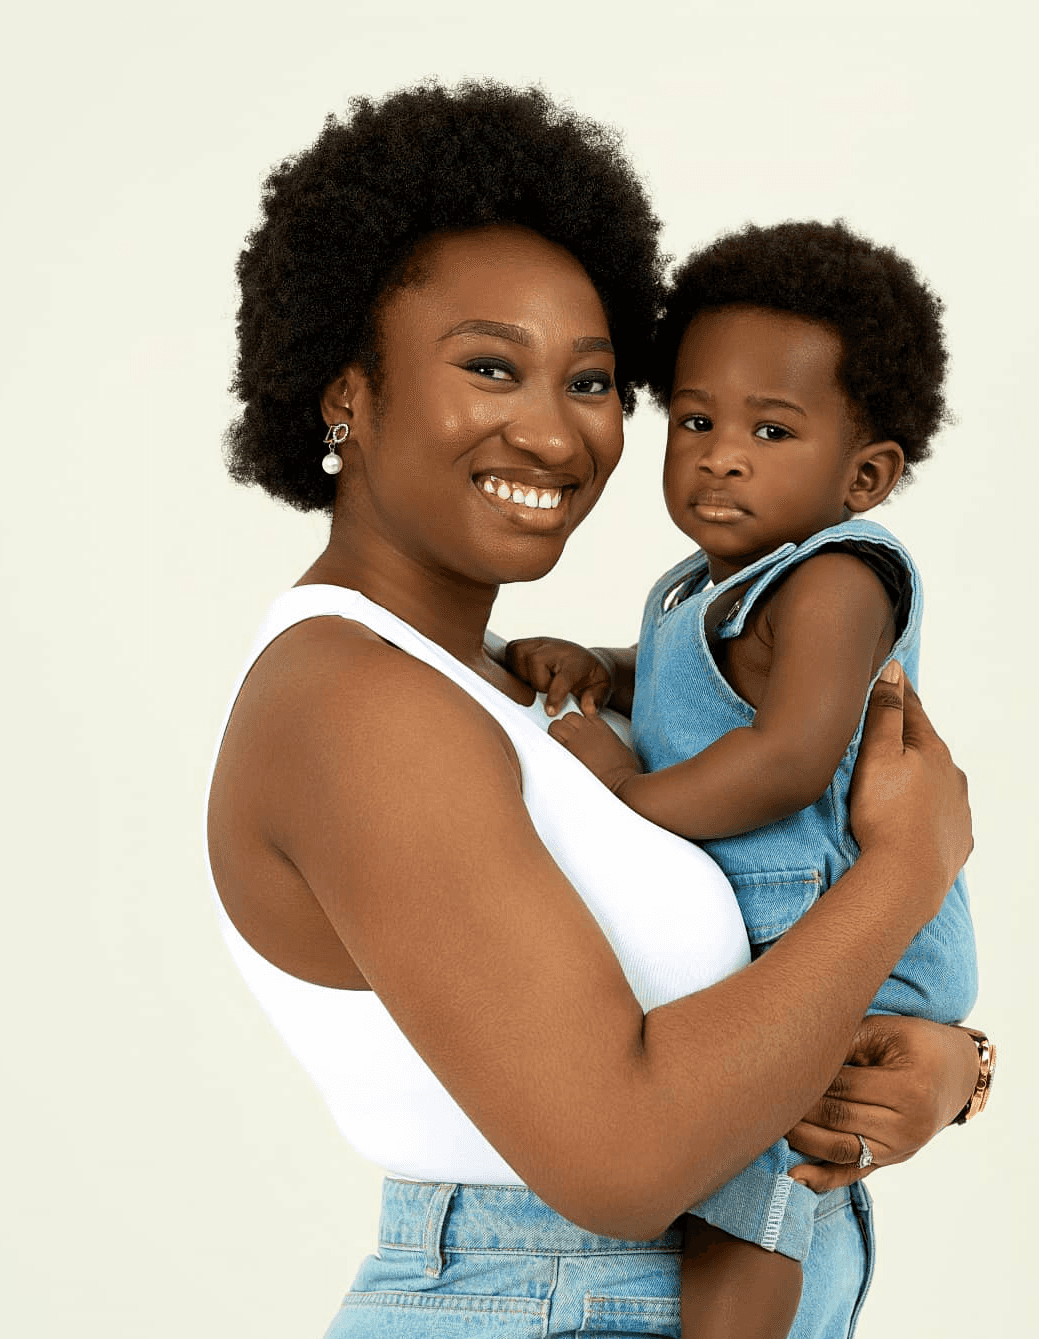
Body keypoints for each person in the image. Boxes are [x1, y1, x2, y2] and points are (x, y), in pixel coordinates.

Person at [207, 80, 989, 1337]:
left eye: (590, 382)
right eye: (488, 367)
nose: (556, 434)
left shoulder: (517, 687)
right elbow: (621, 1159)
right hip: (548, 1291)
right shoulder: (353, 705)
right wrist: (908, 869)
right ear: (343, 387)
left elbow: (745, 1006)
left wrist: (952, 1070)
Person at [505, 220, 980, 1338]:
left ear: (864, 475)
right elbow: (691, 684)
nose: (722, 453)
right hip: (782, 925)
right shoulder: (699, 585)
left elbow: (786, 757)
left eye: (772, 429)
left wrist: (620, 804)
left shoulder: (838, 583)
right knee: (732, 1153)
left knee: (751, 1170)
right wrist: (602, 667)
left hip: (841, 928)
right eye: (698, 421)